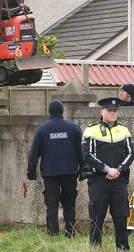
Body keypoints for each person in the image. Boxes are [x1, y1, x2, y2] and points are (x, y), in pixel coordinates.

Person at [82, 97, 134, 250]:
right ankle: (95, 247)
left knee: (121, 216)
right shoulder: (91, 129)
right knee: (97, 216)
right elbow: (86, 155)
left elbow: (130, 154)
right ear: (101, 111)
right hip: (99, 180)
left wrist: (117, 170)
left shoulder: (124, 130)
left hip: (118, 180)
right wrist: (106, 169)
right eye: (109, 110)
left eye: (115, 110)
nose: (113, 113)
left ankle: (123, 247)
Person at [27, 100, 83, 237]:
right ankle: (70, 232)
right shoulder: (74, 128)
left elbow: (34, 153)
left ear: (49, 111)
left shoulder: (42, 129)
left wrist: (31, 171)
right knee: (69, 203)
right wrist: (83, 169)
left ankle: (52, 233)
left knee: (51, 204)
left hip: (49, 173)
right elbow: (81, 151)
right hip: (70, 172)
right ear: (62, 111)